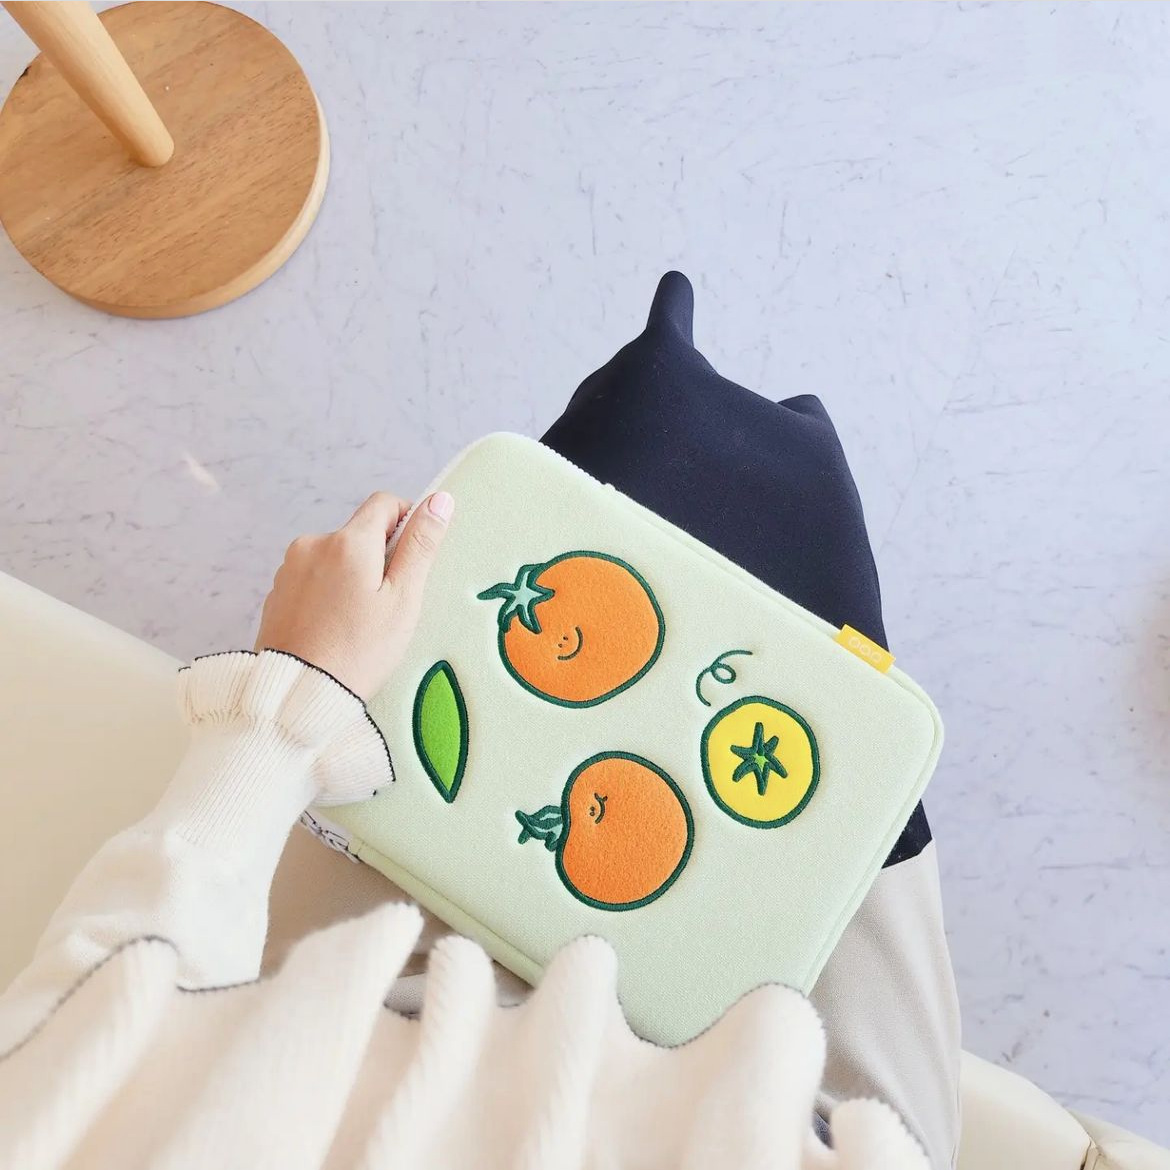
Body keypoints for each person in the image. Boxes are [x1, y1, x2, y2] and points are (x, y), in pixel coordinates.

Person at [0, 276, 952, 1170]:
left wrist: (289, 702)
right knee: (789, 621)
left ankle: (687, 397)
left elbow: (86, 1037)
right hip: (785, 1111)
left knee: (634, 472)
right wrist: (288, 698)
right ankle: (713, 412)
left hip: (375, 1031)